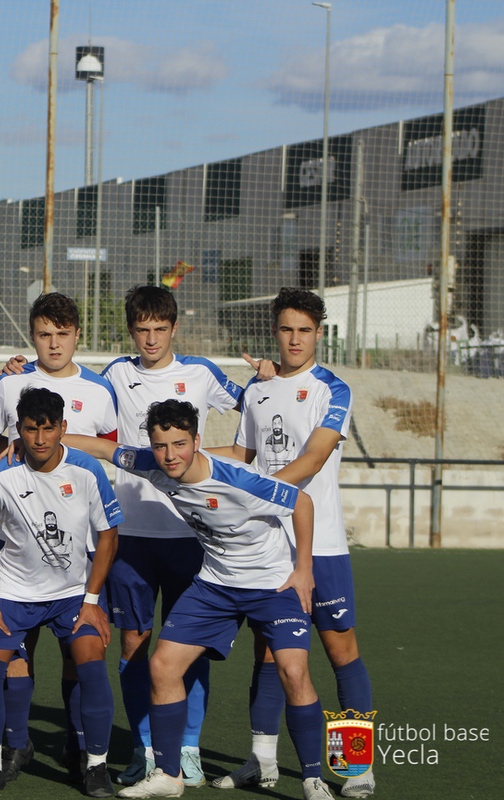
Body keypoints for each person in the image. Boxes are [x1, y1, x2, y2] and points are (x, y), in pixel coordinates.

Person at [90, 400, 332, 800]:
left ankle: (312, 779)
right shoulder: (151, 463)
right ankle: (168, 776)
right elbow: (100, 448)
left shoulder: (239, 480)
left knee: (293, 672)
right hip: (215, 586)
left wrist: (303, 570)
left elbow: (301, 502)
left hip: (272, 585)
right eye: (161, 445)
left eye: (180, 444)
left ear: (198, 441)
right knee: (163, 666)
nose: (170, 455)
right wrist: (33, 442)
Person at [71, 285, 243, 787]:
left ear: (173, 329)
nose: (150, 338)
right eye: (141, 329)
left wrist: (269, 376)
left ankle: (186, 748)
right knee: (133, 642)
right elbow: (77, 403)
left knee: (188, 644)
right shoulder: (117, 375)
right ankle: (145, 749)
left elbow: (252, 406)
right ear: (131, 331)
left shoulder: (201, 373)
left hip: (193, 535)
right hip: (133, 536)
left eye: (159, 329)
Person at [211, 288, 373, 799]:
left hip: (319, 543)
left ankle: (355, 768)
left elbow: (316, 456)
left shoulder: (333, 389)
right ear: (274, 332)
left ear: (319, 333)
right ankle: (261, 762)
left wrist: (260, 493)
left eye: (305, 330)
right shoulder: (258, 390)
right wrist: (183, 457)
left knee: (339, 649)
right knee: (268, 653)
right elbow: (243, 451)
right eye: (286, 329)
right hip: (268, 546)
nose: (295, 339)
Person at [0, 292, 117, 782]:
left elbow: (113, 452)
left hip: (75, 560)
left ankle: (85, 751)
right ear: (31, 336)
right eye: (43, 334)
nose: (53, 343)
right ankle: (14, 747)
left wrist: (62, 445)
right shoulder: (12, 382)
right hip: (18, 566)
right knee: (12, 656)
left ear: (77, 334)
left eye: (62, 333)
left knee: (83, 656)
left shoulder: (100, 390)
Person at [0, 388, 124, 798]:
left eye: (48, 429)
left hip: (72, 595)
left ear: (63, 428)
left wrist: (92, 601)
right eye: (31, 429)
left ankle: (96, 766)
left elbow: (108, 536)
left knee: (90, 658)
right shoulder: (0, 475)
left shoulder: (87, 471)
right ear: (19, 430)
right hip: (14, 594)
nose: (39, 438)